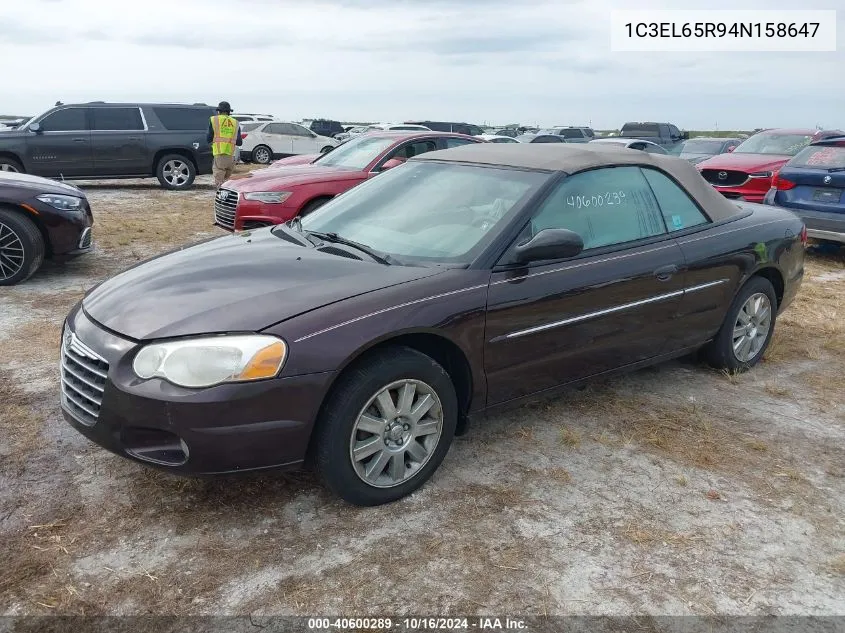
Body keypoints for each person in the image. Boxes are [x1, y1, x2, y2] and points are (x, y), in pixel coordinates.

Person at [207, 101, 242, 188]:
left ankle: (222, 199)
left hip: (219, 154)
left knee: (220, 182)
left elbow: (209, 138)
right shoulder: (235, 122)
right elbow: (239, 142)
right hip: (231, 156)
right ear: (229, 111)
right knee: (228, 182)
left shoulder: (214, 120)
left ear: (218, 111)